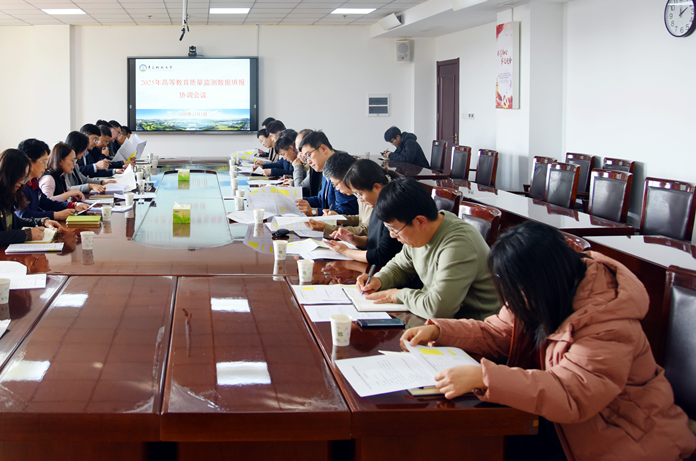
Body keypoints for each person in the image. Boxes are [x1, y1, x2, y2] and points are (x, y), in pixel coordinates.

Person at [402, 222, 696, 461]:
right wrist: (440, 331)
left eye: (516, 292)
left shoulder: (607, 321)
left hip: (622, 435)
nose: (512, 301)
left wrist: (485, 377)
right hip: (561, 423)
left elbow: (573, 394)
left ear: (542, 280)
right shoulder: (542, 292)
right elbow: (499, 333)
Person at [357, 178, 499, 320]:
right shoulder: (421, 233)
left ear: (420, 221)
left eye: (394, 229)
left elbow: (438, 309)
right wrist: (379, 280)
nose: (392, 236)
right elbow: (400, 266)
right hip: (439, 320)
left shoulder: (458, 245)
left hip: (474, 325)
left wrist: (397, 295)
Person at [0, 148, 61, 266]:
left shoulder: (3, 190)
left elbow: (13, 221)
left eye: (25, 178)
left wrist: (42, 221)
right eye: (20, 177)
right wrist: (26, 234)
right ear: (8, 174)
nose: (22, 182)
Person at [15, 138, 88, 221]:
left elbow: (47, 203)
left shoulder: (33, 182)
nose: (46, 166)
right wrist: (56, 215)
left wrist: (73, 205)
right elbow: (24, 215)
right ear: (29, 162)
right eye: (44, 162)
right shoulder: (19, 185)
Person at [295, 131, 358, 216]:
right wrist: (296, 201)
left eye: (309, 155)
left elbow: (346, 211)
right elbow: (321, 199)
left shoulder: (341, 167)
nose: (308, 162)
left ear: (323, 149)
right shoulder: (325, 168)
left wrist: (314, 211)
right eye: (305, 158)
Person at [64, 130, 109, 195]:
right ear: (77, 147)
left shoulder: (75, 162)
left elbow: (83, 179)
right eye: (84, 149)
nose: (85, 152)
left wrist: (101, 182)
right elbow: (67, 189)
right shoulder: (64, 164)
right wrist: (90, 186)